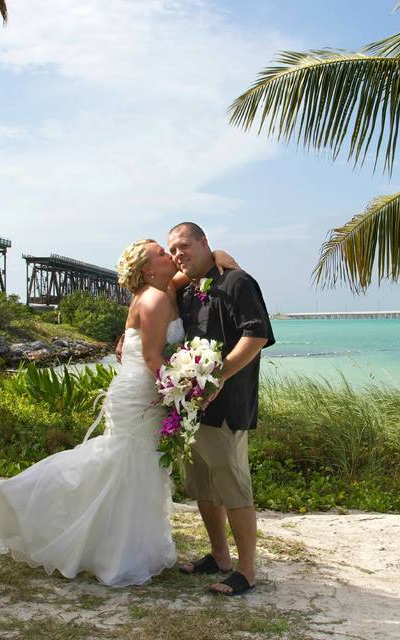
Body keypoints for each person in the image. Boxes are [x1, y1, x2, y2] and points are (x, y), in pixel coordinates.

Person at [0, 239, 235, 586]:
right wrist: (186, 386)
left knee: (136, 469)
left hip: (145, 392)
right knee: (124, 464)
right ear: (149, 269)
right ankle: (31, 509)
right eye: (162, 253)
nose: (171, 256)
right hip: (140, 394)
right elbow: (153, 359)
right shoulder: (152, 298)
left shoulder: (161, 288)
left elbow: (188, 274)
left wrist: (218, 256)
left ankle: (124, 547)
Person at [167, 222, 274, 597]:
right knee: (203, 486)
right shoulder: (188, 290)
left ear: (205, 243)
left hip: (228, 405)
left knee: (233, 487)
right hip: (193, 409)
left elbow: (256, 335)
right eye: (173, 251)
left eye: (185, 246)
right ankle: (219, 556)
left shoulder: (237, 282)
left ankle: (246, 571)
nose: (179, 255)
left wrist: (217, 379)